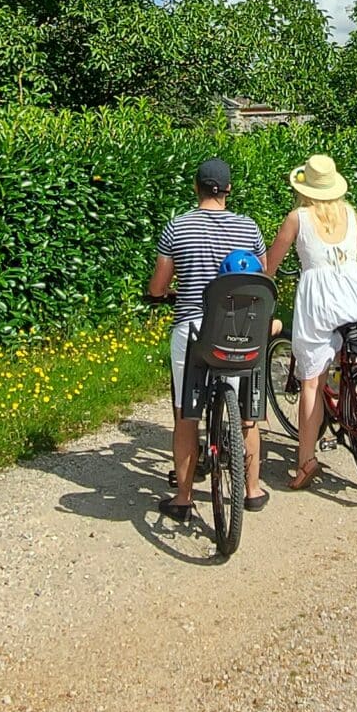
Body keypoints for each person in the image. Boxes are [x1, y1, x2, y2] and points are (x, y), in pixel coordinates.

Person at [145, 157, 271, 519]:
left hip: (194, 329)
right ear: (228, 189)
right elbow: (262, 276)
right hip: (241, 330)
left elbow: (158, 285)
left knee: (186, 415)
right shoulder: (250, 228)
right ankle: (252, 490)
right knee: (246, 412)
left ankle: (183, 499)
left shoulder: (177, 227)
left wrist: (161, 294)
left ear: (195, 187)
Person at [267, 152, 357, 491]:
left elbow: (270, 266)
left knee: (311, 383)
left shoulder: (297, 218)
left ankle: (306, 461)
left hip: (319, 303)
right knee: (352, 357)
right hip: (355, 293)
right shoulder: (350, 213)